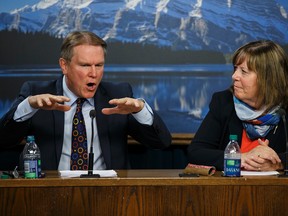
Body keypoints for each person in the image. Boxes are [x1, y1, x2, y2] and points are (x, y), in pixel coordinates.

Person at [0, 31, 171, 170]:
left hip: (110, 195)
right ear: (64, 65)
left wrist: (140, 110)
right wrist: (28, 107)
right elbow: (3, 141)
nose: (94, 73)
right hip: (49, 193)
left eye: (99, 65)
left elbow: (161, 142)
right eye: (85, 65)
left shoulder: (118, 95)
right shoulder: (37, 94)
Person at [187, 40, 288, 172]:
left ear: (267, 78)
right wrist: (240, 158)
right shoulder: (224, 102)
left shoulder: (285, 108)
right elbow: (196, 153)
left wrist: (278, 163)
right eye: (235, 68)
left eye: (244, 71)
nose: (234, 76)